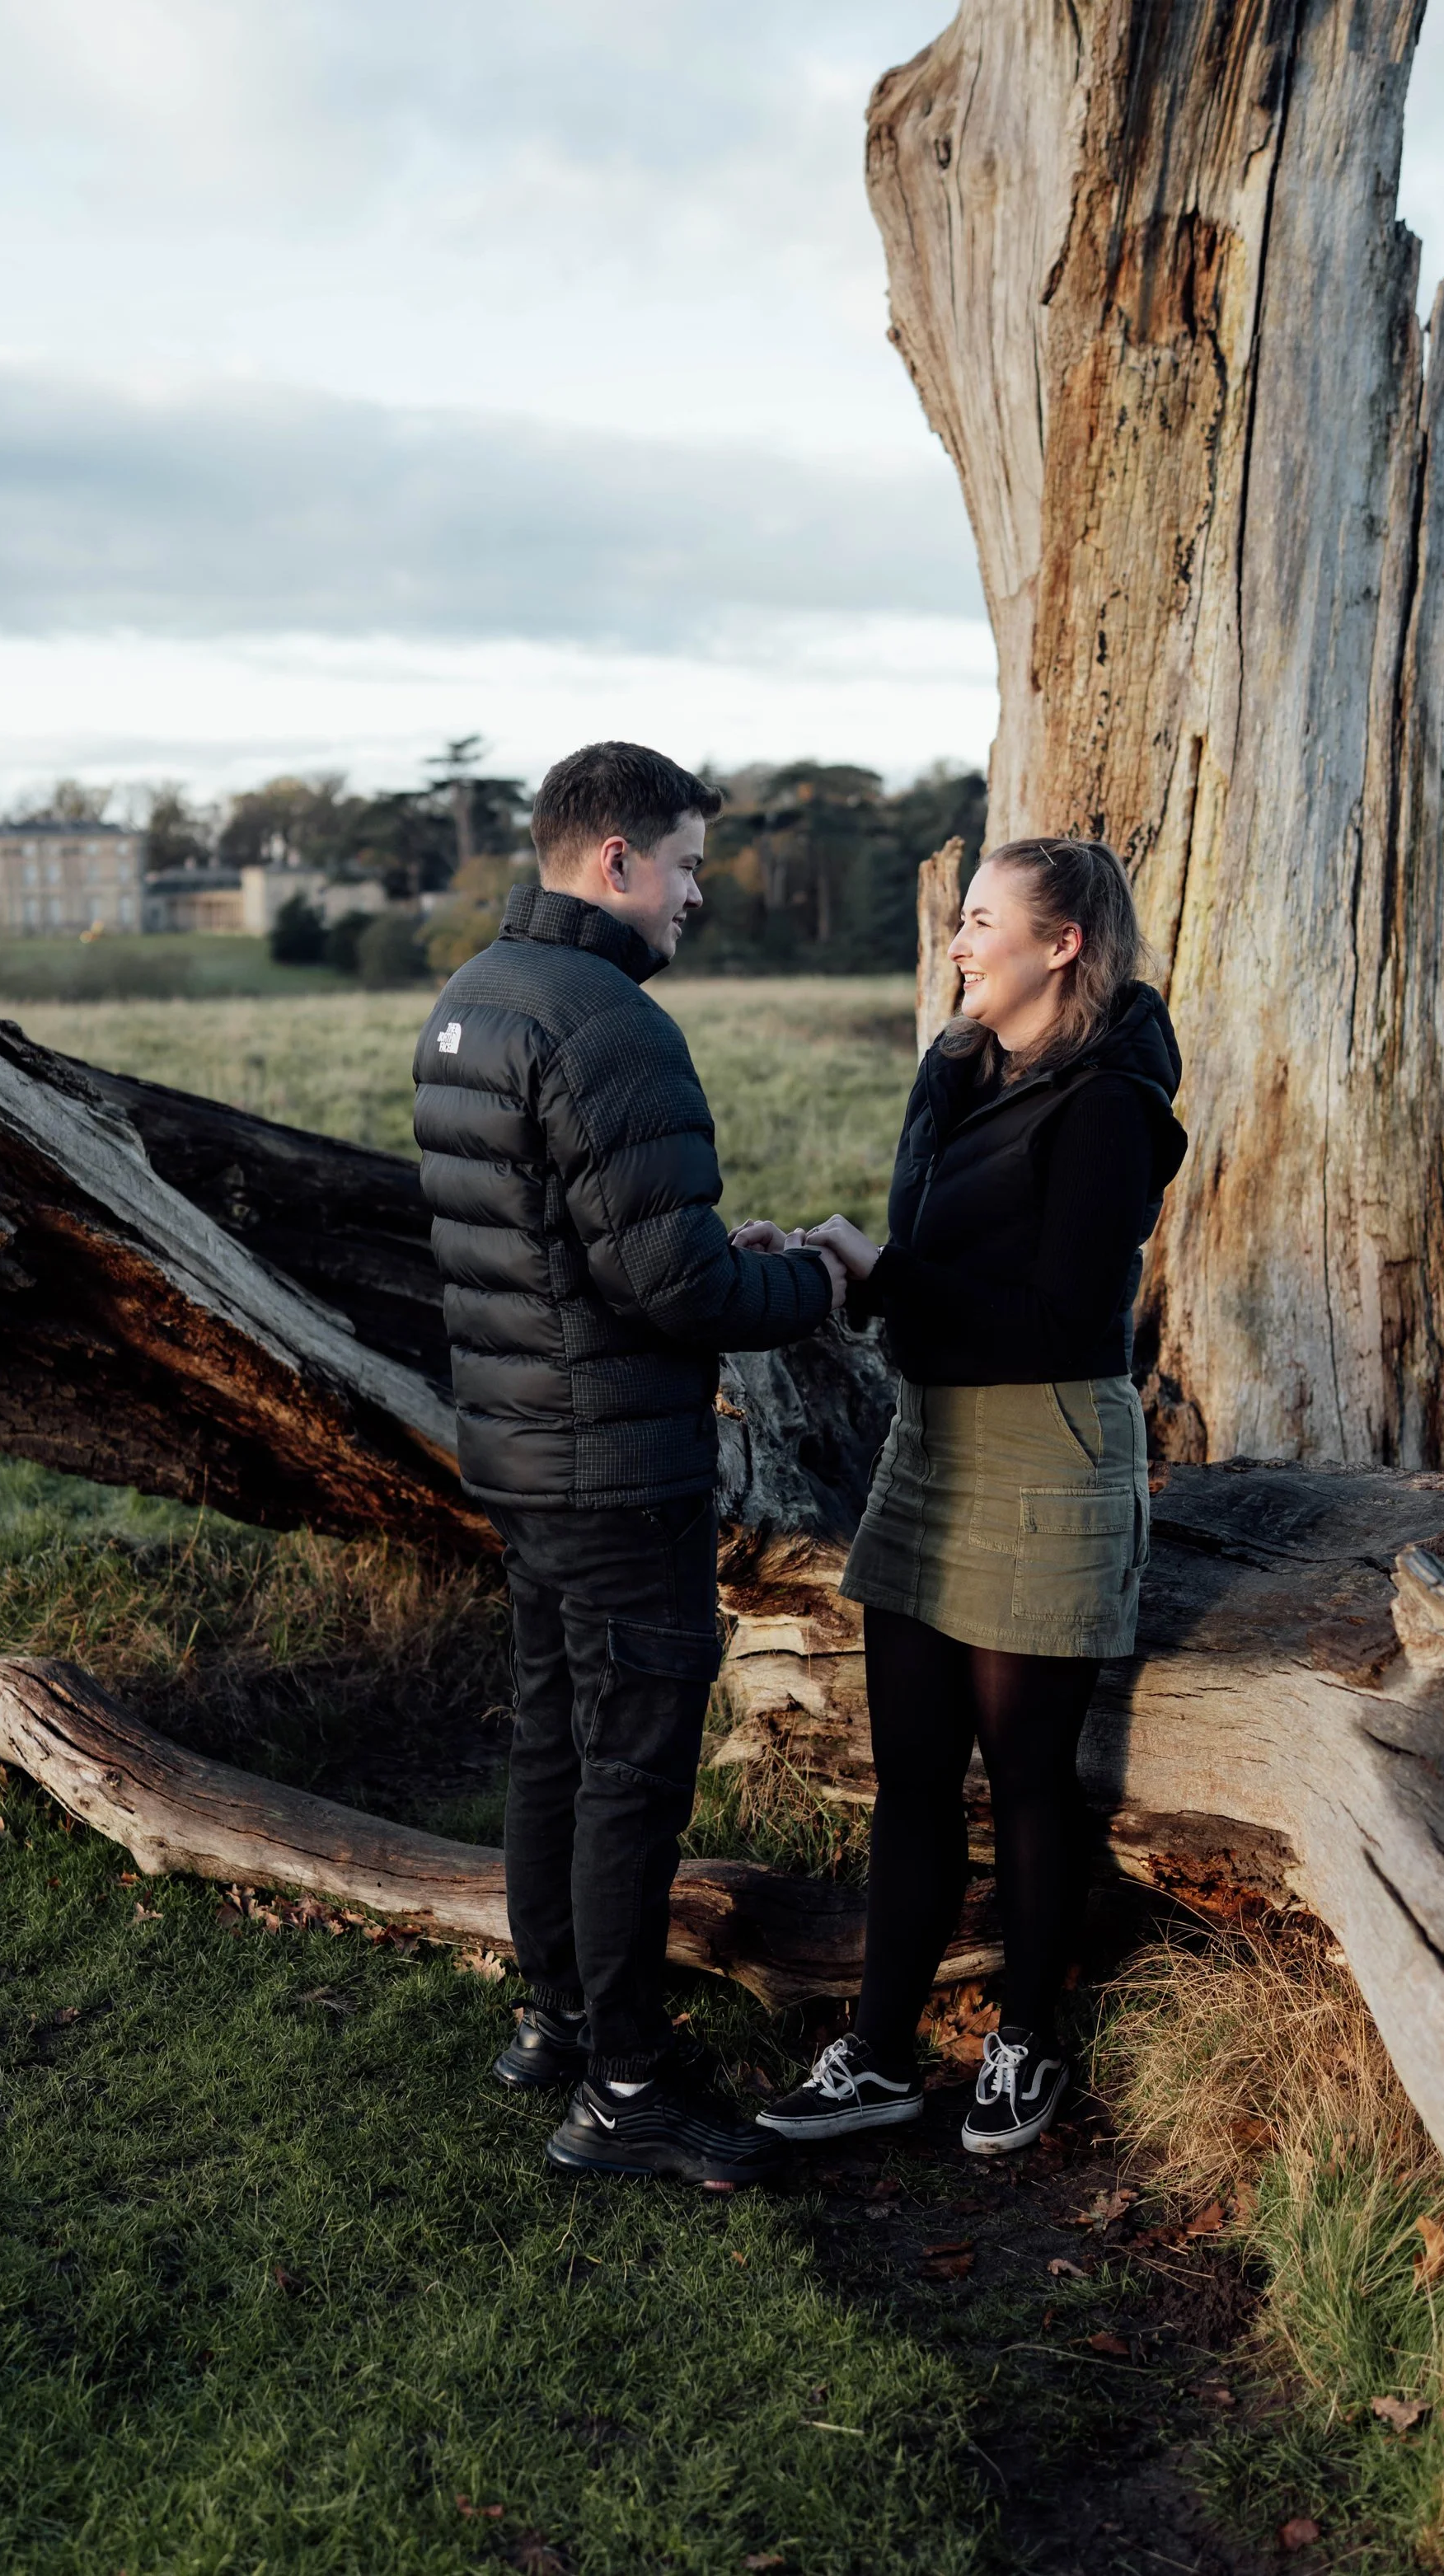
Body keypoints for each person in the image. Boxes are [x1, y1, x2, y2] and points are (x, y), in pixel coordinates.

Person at [412, 740, 844, 2186]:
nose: (696, 898)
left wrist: (725, 1248)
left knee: (554, 1739)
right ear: (617, 862)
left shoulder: (473, 1002)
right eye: (689, 867)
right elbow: (679, 1294)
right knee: (633, 1776)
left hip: (521, 1452)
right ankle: (626, 2089)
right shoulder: (608, 1027)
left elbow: (567, 1249)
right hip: (614, 1463)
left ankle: (555, 2019)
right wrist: (826, 1285)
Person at [749, 838, 1186, 2155]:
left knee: (1032, 1780)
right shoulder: (954, 1068)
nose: (957, 939)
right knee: (915, 1775)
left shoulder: (1111, 1100)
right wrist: (843, 1265)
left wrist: (890, 1272)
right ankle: (878, 2057)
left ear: (1061, 946)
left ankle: (1025, 2043)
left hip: (1046, 1439)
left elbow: (1061, 1318)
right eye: (958, 917)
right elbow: (929, 1266)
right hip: (929, 1436)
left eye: (982, 920)